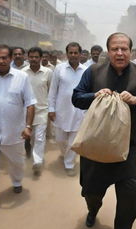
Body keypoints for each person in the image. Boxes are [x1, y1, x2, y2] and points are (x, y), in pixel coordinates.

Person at [72, 32, 136, 229]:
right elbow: (76, 97)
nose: (120, 53)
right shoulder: (93, 71)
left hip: (126, 148)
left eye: (124, 49)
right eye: (115, 49)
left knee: (132, 192)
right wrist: (94, 95)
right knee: (91, 192)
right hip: (95, 146)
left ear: (131, 51)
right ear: (108, 51)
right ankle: (93, 209)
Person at [0, 44, 36, 222]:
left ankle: (17, 181)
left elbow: (30, 103)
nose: (1, 61)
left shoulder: (22, 77)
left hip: (14, 133)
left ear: (10, 58)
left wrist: (28, 126)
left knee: (16, 162)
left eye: (4, 58)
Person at [48, 42, 87, 176]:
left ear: (80, 54)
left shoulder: (86, 70)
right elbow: (53, 90)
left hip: (79, 111)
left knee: (73, 141)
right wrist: (51, 109)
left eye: (76, 52)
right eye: (71, 52)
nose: (73, 55)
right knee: (60, 139)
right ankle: (65, 154)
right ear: (67, 54)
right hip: (61, 111)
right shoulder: (59, 69)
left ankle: (69, 163)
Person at [22, 47, 52, 176]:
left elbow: (51, 92)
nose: (33, 59)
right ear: (27, 57)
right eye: (31, 57)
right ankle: (34, 155)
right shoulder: (22, 73)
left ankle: (37, 162)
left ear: (41, 58)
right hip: (26, 111)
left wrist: (51, 109)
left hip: (42, 111)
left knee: (39, 137)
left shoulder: (48, 72)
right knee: (30, 138)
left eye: (36, 57)